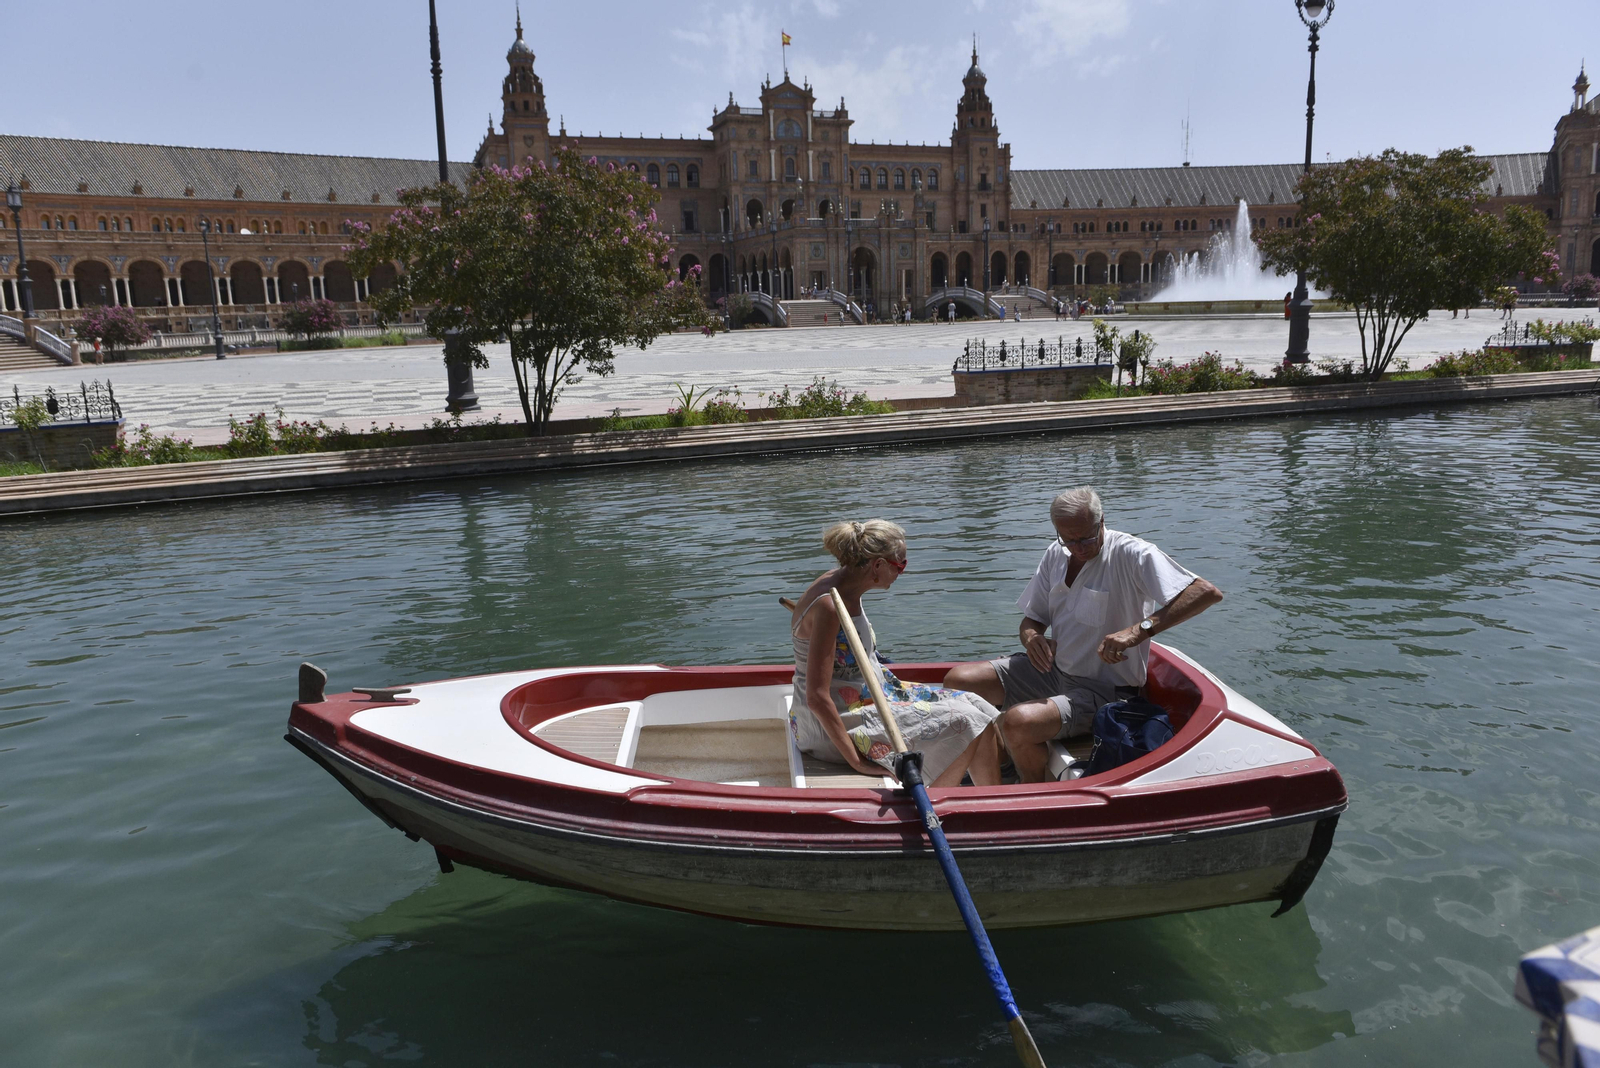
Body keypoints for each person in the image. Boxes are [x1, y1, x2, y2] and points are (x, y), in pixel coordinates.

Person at [943, 488, 1223, 782]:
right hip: (1052, 670)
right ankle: (1002, 769)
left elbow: (1205, 593)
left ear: (1102, 521)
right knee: (959, 681)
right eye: (1069, 539)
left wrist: (1138, 630)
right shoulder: (1056, 552)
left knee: (1017, 722)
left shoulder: (1133, 554)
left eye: (1087, 538)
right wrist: (1031, 637)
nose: (1078, 547)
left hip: (1105, 690)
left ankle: (1032, 792)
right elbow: (1032, 619)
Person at [792, 520, 1003, 786]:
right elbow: (817, 698)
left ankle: (986, 795)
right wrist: (857, 763)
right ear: (877, 565)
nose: (902, 572)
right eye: (900, 564)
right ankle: (942, 803)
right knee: (972, 722)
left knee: (974, 703)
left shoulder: (842, 584)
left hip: (868, 695)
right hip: (836, 723)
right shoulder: (830, 607)